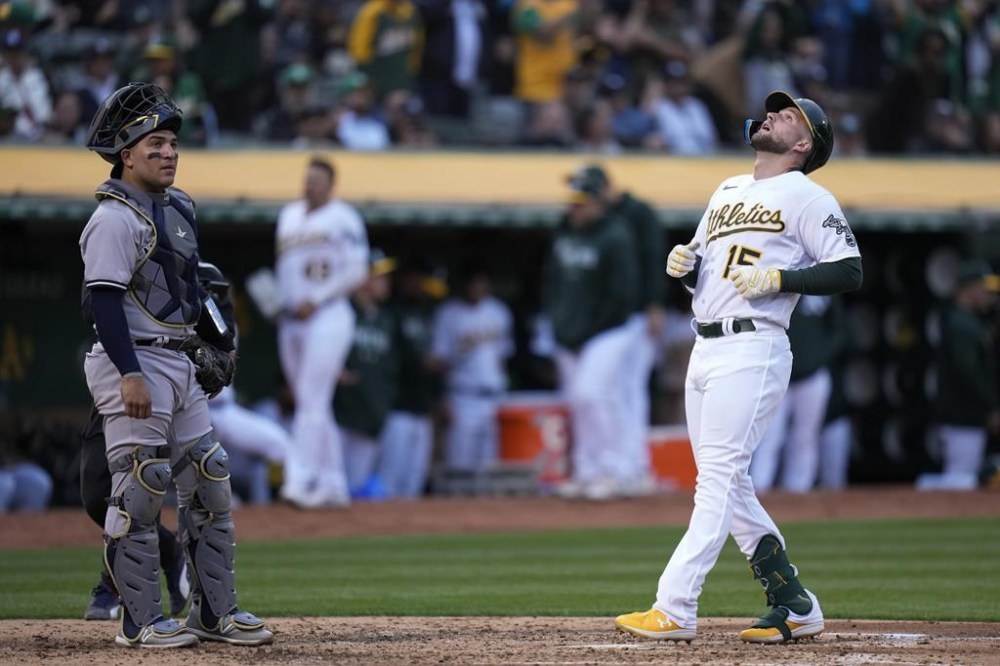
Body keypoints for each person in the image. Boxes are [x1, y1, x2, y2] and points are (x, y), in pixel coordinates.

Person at [616, 91, 862, 644]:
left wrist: (782, 280)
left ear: (804, 144)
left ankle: (675, 606)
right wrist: (684, 268)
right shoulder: (728, 188)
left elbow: (848, 271)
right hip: (706, 344)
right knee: (729, 484)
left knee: (717, 482)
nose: (772, 113)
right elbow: (707, 267)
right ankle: (794, 602)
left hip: (755, 346)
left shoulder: (808, 196)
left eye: (789, 115)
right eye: (774, 108)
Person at [79, 82, 272, 647]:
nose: (168, 152)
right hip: (134, 360)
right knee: (140, 488)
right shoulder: (113, 220)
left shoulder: (178, 206)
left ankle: (213, 613)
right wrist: (130, 372)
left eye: (171, 143)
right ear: (126, 153)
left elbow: (190, 289)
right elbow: (105, 302)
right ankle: (138, 623)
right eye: (154, 143)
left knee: (209, 481)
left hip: (180, 359)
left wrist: (216, 341)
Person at [276, 156, 370, 508]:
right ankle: (333, 483)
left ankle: (300, 480)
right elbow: (284, 269)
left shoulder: (344, 216)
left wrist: (317, 298)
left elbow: (357, 271)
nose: (310, 184)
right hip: (292, 318)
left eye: (317, 179)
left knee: (312, 398)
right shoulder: (288, 215)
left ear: (331, 184)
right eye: (308, 178)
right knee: (311, 401)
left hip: (328, 314)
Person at [546, 170, 638, 501]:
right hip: (571, 332)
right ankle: (587, 471)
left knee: (593, 393)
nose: (575, 209)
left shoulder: (615, 235)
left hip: (608, 330)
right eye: (573, 203)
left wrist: (585, 331)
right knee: (579, 400)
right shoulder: (565, 232)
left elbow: (621, 295)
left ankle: (613, 471)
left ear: (598, 203)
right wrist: (560, 325)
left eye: (582, 203)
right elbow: (553, 284)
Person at [750, 295, 846, 493]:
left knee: (805, 436)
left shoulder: (821, 285)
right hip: (776, 373)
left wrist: (818, 356)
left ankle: (799, 493)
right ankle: (758, 491)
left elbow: (841, 330)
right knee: (768, 435)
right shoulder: (774, 278)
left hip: (812, 375)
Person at [917, 261, 1000, 490]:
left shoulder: (968, 321)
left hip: (965, 414)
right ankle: (924, 488)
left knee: (965, 475)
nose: (990, 296)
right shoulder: (960, 324)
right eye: (985, 289)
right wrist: (990, 407)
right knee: (961, 479)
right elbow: (967, 372)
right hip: (962, 414)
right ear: (969, 288)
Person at [430, 265, 514, 473]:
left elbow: (503, 357)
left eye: (481, 281)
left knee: (491, 467)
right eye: (473, 282)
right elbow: (437, 361)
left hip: (494, 397)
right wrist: (444, 398)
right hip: (462, 397)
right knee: (460, 469)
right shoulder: (448, 314)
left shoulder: (498, 311)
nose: (477, 287)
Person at [378, 258, 447, 498]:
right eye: (419, 283)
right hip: (397, 407)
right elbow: (390, 358)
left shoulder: (423, 313)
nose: (424, 291)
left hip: (421, 408)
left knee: (415, 479)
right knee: (391, 478)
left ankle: (407, 529)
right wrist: (419, 360)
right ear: (409, 279)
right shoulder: (391, 313)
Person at [335, 249, 401, 497]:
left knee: (358, 488)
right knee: (336, 488)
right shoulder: (342, 312)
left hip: (371, 413)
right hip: (341, 415)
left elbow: (389, 370)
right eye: (379, 276)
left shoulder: (385, 319)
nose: (385, 283)